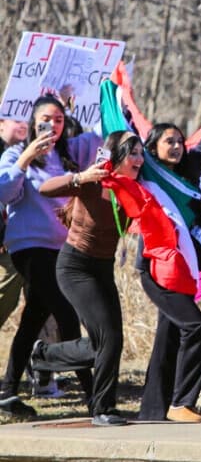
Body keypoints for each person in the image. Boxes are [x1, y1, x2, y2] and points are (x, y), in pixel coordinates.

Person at [136, 78, 201, 422]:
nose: (178, 146)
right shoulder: (146, 175)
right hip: (156, 268)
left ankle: (153, 411)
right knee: (197, 328)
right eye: (170, 141)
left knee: (167, 338)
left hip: (183, 269)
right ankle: (182, 402)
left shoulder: (188, 173)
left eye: (180, 141)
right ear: (152, 148)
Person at [31, 131, 143, 426]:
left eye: (141, 154)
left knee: (105, 343)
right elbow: (45, 188)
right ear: (115, 157)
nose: (139, 159)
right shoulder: (94, 181)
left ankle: (44, 355)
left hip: (104, 268)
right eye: (133, 153)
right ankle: (103, 408)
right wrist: (79, 178)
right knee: (110, 338)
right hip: (75, 266)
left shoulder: (133, 187)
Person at [0, 95, 100, 418]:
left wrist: (116, 97)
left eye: (58, 120)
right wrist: (26, 158)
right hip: (29, 247)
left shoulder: (69, 153)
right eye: (46, 119)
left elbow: (102, 134)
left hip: (62, 249)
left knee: (34, 319)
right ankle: (94, 394)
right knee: (68, 315)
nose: (53, 126)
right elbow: (3, 192)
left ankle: (7, 390)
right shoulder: (16, 154)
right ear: (32, 123)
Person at [0, 120, 28, 330]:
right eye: (17, 120)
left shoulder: (30, 148)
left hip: (17, 239)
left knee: (9, 298)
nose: (23, 124)